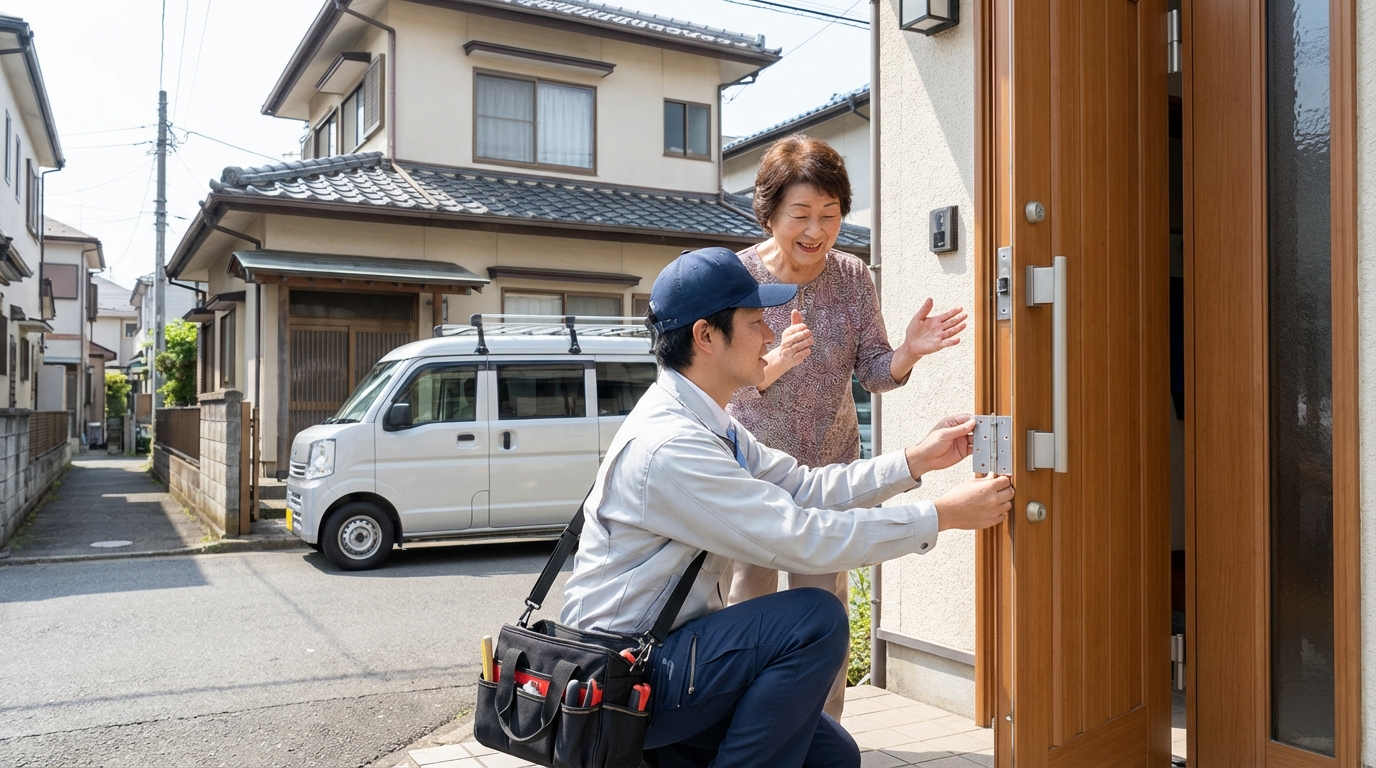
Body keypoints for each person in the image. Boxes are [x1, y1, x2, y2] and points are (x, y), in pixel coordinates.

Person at [559, 247, 1012, 767]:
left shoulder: (712, 422)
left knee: (833, 756)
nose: (770, 336)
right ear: (706, 336)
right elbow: (802, 537)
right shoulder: (672, 446)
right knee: (814, 618)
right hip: (623, 674)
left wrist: (915, 461)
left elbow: (804, 487)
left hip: (669, 652)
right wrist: (943, 516)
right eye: (755, 323)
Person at [727, 134, 967, 718]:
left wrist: (908, 351)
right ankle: (740, 733)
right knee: (745, 607)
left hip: (831, 468)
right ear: (770, 212)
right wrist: (773, 365)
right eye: (801, 214)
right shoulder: (736, 277)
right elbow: (713, 381)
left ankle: (820, 731)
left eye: (830, 215)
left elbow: (874, 373)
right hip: (751, 471)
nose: (816, 230)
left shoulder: (853, 275)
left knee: (822, 612)